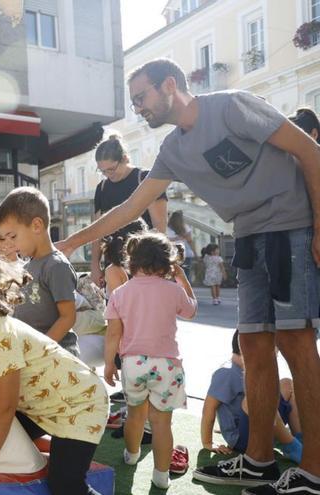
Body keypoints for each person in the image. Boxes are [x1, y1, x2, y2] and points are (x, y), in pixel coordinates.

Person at [56, 58, 320, 493]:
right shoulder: (173, 150)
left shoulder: (232, 106)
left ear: (170, 86)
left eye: (142, 97)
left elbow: (309, 150)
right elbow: (128, 209)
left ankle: (315, 466)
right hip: (249, 235)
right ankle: (257, 460)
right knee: (253, 344)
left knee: (296, 341)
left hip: (291, 225)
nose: (138, 108)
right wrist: (68, 244)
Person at [0, 233, 109, 495]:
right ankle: (52, 442)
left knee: (65, 485)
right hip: (41, 403)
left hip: (79, 403)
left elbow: (4, 407)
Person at [103, 232, 197, 488]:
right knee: (162, 422)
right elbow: (191, 310)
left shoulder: (120, 293)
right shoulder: (172, 290)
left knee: (135, 416)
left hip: (133, 364)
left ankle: (131, 455)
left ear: (131, 260)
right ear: (168, 262)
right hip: (167, 365)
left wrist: (110, 363)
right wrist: (182, 278)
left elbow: (113, 333)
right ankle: (161, 476)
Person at [0, 187, 80, 357]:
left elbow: (67, 317)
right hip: (31, 354)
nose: (9, 244)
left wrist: (40, 349)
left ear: (36, 225)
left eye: (13, 236)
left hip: (57, 356)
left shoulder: (56, 266)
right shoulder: (27, 267)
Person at [200, 331, 303, 464]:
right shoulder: (226, 373)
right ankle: (291, 446)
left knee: (286, 384)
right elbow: (208, 408)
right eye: (272, 354)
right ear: (250, 349)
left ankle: (300, 439)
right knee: (253, 398)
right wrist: (208, 442)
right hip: (243, 440)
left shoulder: (253, 369)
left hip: (263, 426)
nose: (274, 358)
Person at [90, 134, 168, 287]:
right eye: (102, 171)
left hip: (145, 264)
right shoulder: (102, 187)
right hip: (113, 265)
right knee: (114, 309)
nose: (107, 175)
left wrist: (159, 263)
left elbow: (160, 226)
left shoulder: (145, 178)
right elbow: (97, 230)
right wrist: (94, 265)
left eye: (111, 169)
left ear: (125, 158)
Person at [167, 210, 195, 281]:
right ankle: (186, 290)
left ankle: (175, 290)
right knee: (186, 275)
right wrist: (195, 253)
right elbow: (190, 241)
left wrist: (174, 239)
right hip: (185, 254)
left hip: (172, 254)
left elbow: (164, 239)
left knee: (174, 274)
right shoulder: (185, 227)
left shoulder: (167, 227)